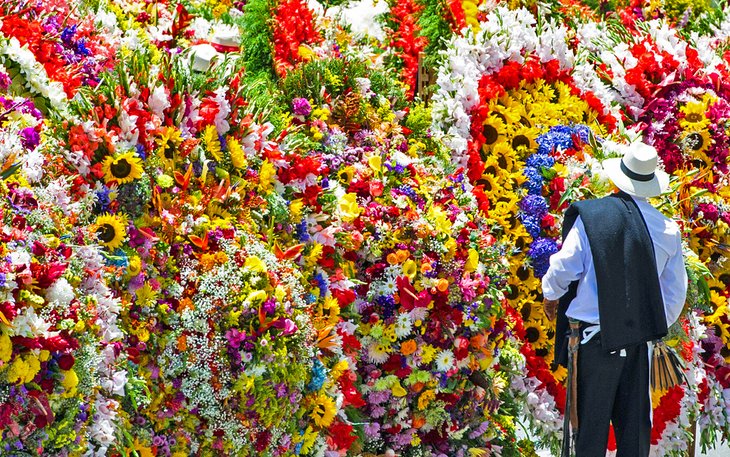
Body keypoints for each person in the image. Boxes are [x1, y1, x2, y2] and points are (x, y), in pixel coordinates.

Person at [541, 141, 687, 457]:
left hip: (594, 341)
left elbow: (563, 267)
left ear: (616, 179)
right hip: (638, 344)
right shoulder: (668, 229)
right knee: (634, 436)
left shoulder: (592, 217)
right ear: (651, 186)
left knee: (589, 435)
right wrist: (641, 323)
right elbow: (674, 296)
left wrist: (550, 296)